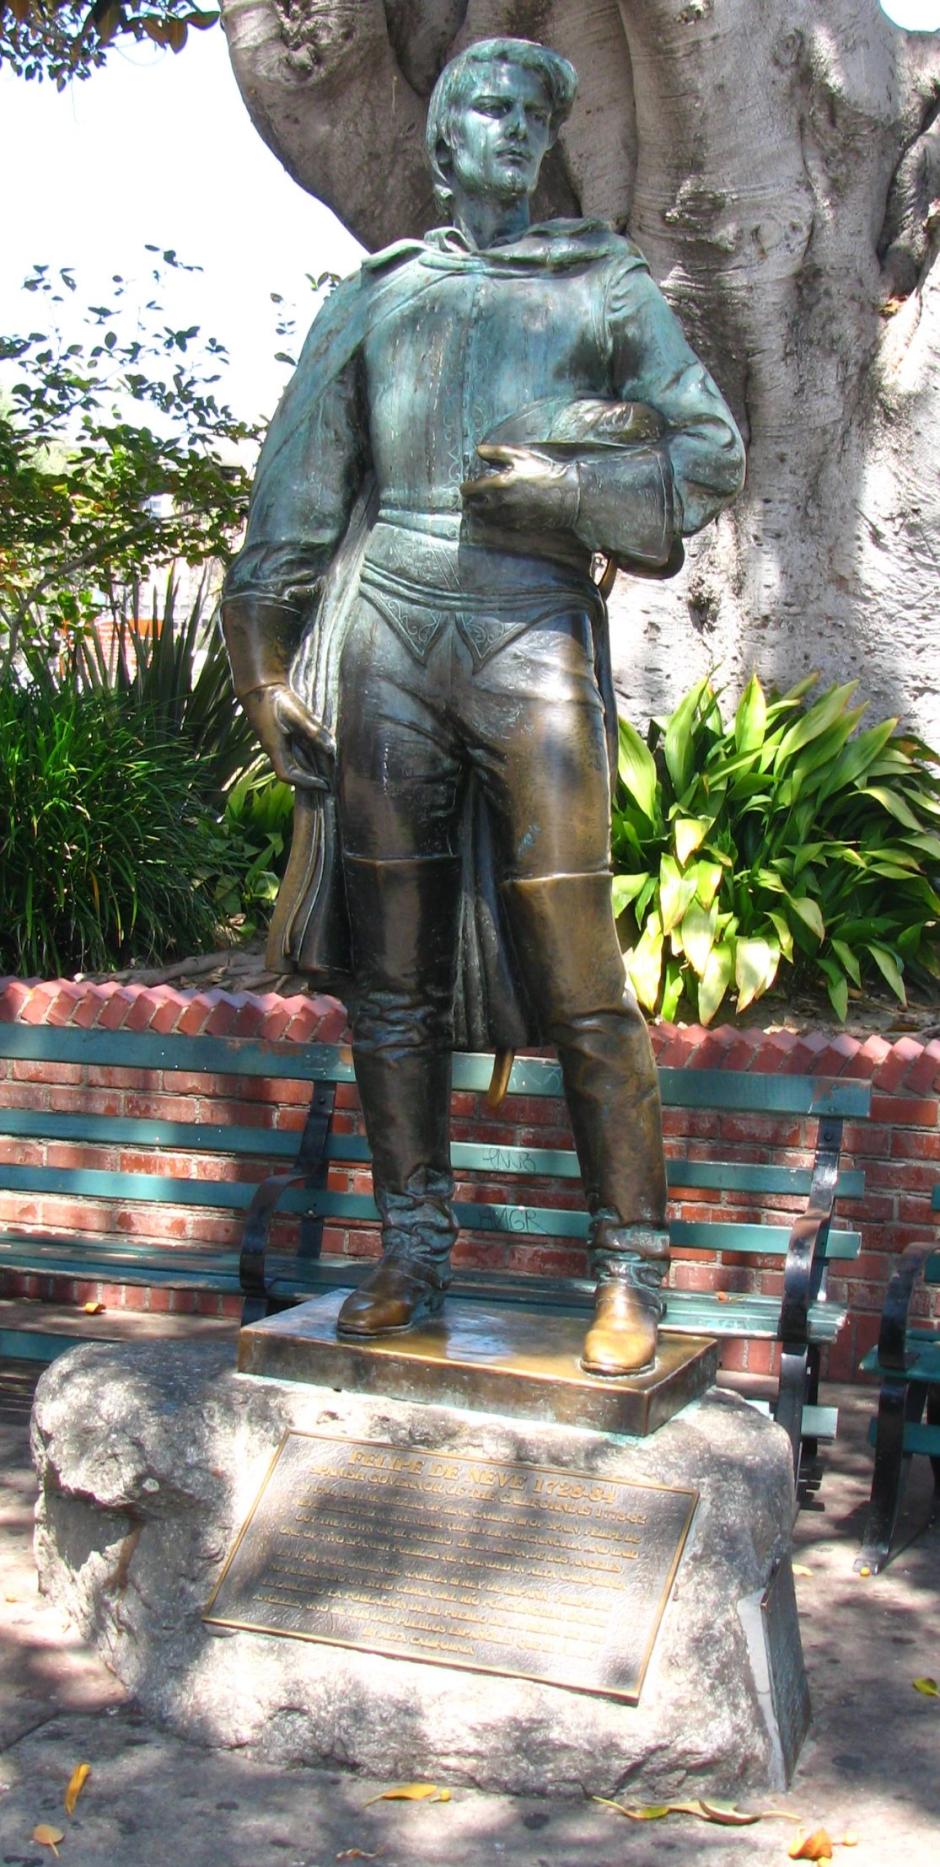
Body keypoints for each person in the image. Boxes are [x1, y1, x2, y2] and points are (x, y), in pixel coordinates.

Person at [222, 36, 745, 1376]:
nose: (509, 126)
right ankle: (410, 1249)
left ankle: (629, 1266)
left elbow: (709, 448)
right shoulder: (379, 295)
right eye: (481, 106)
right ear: (442, 140)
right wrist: (263, 666)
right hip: (387, 629)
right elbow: (296, 483)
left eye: (531, 110)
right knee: (387, 985)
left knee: (582, 974)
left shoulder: (602, 280)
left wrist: (572, 497)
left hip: (530, 629)